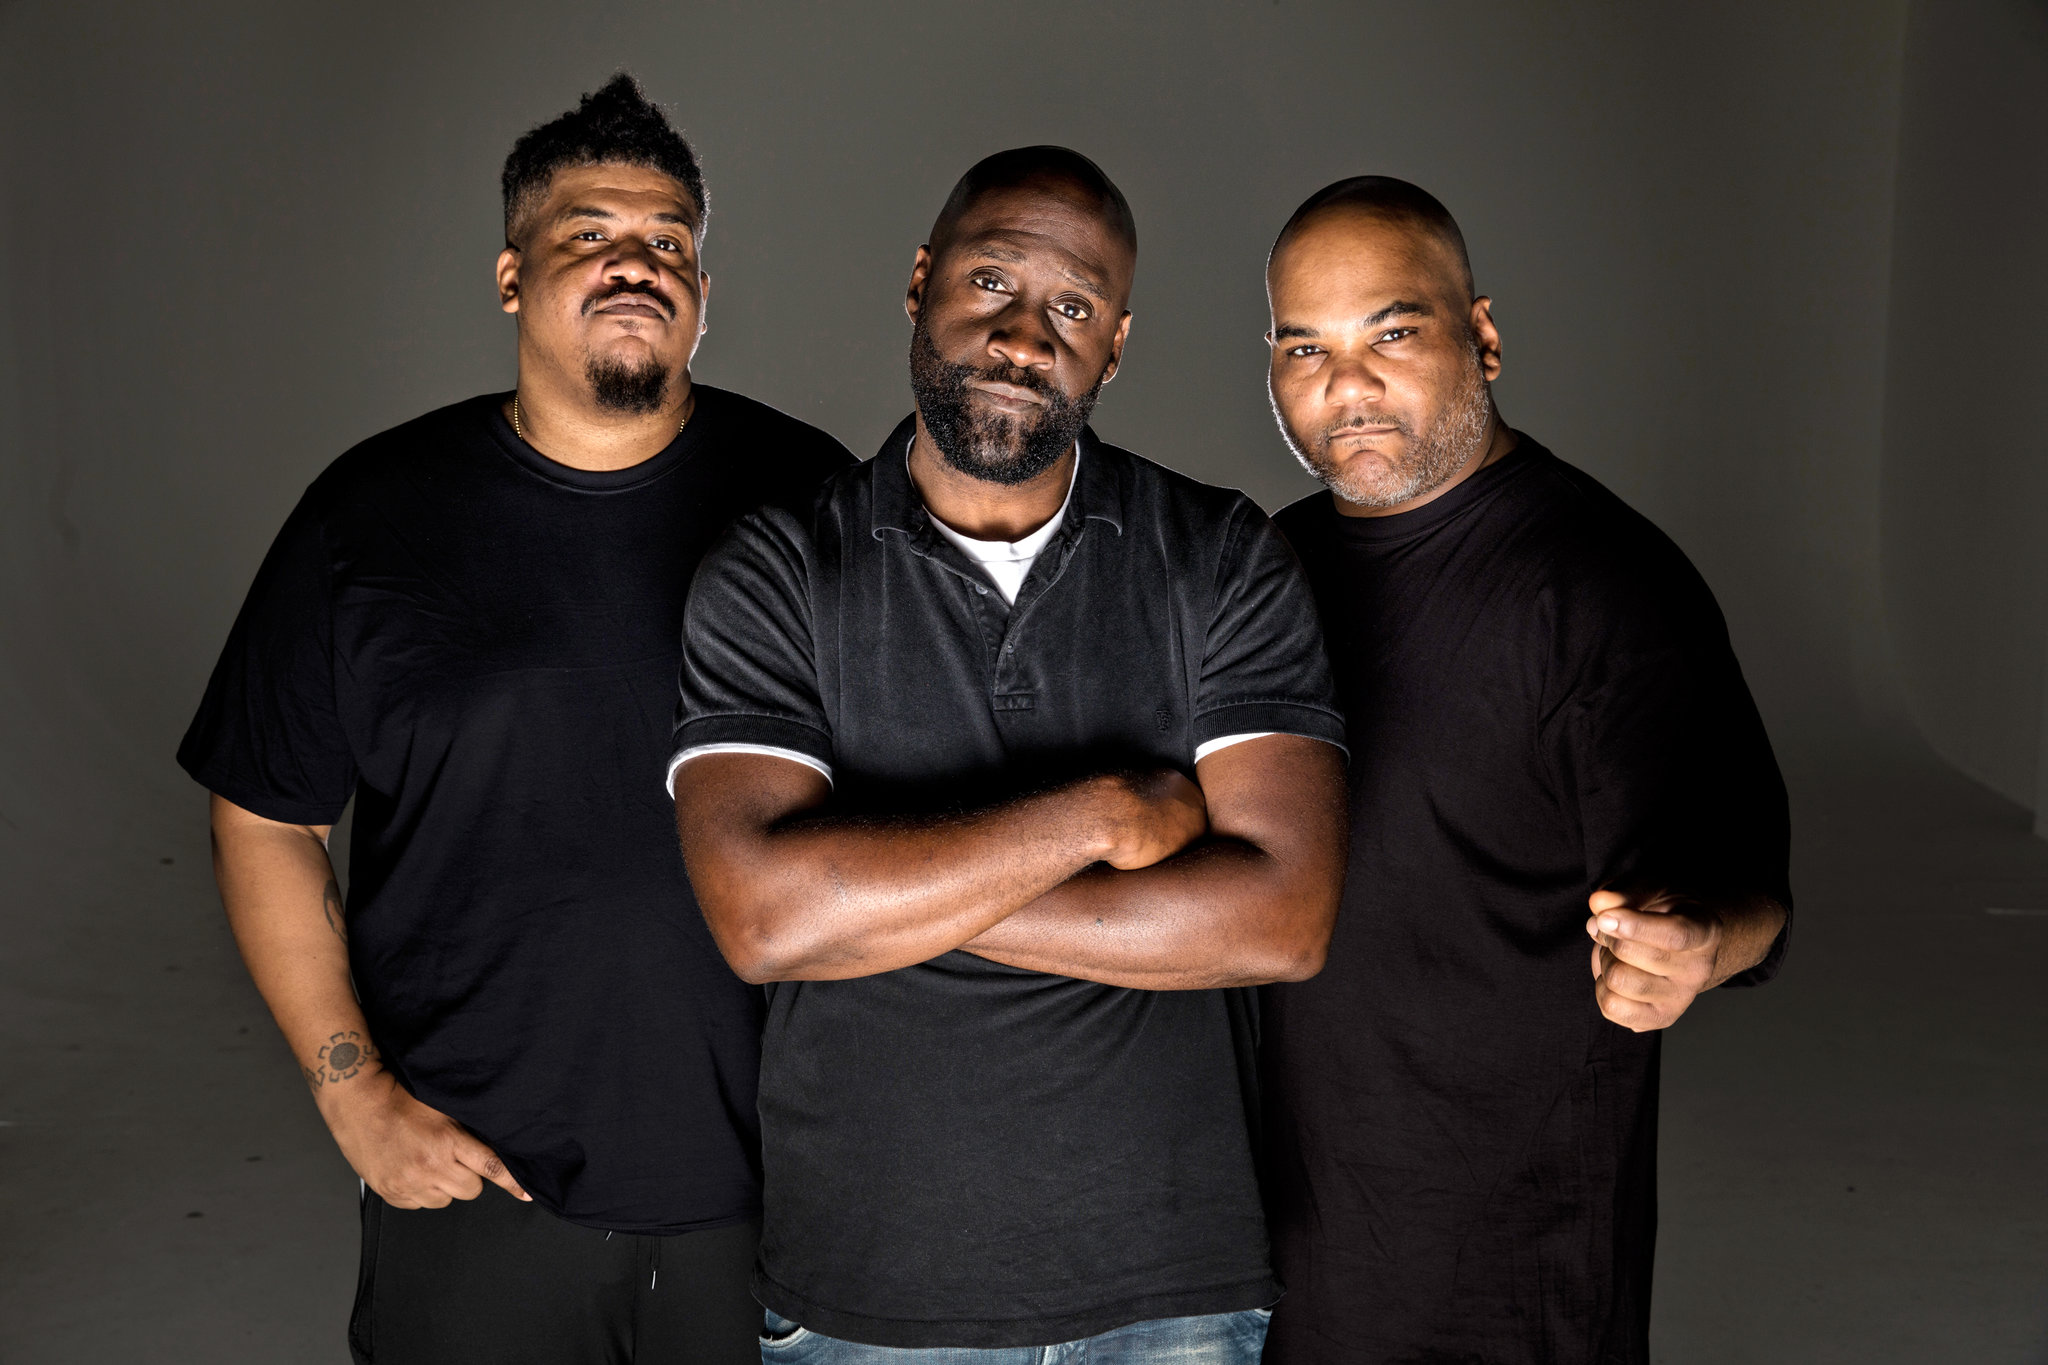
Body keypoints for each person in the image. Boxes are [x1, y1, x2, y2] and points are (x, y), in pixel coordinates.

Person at [177, 74, 853, 1365]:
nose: (634, 263)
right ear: (510, 277)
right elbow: (264, 816)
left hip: (788, 1192)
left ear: (703, 289)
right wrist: (351, 1095)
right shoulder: (368, 517)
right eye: (589, 235)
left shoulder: (811, 497)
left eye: (668, 242)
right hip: (477, 1188)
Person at [667, 146, 1349, 1363]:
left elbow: (1279, 920)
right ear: (922, 281)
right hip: (868, 1296)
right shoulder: (774, 573)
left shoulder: (1220, 557)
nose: (1024, 337)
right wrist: (1095, 817)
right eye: (990, 283)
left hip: (1170, 1292)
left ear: (1116, 343)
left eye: (1072, 307)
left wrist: (883, 883)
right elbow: (766, 923)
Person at [1254, 175, 1793, 1365]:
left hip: (1511, 1266)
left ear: (1481, 336)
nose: (1345, 385)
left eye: (1391, 333)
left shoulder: (1599, 586)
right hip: (1281, 1252)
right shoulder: (1262, 574)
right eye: (1305, 347)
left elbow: (1736, 882)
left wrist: (1693, 949)